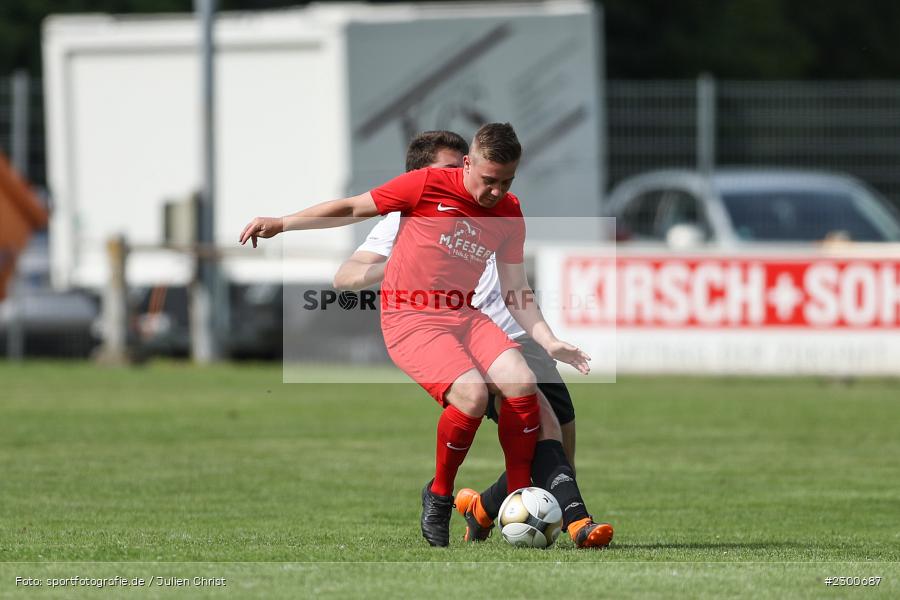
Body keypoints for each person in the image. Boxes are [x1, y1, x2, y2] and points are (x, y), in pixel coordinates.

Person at [240, 123, 587, 547]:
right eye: (488, 180)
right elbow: (352, 209)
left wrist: (550, 340)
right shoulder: (424, 186)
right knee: (473, 396)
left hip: (463, 313)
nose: (496, 191)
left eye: (506, 181)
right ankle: (439, 494)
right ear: (467, 164)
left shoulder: (509, 211)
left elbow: (516, 289)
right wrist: (283, 223)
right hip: (411, 318)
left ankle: (517, 498)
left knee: (521, 381)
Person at [333, 130, 613, 549]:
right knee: (544, 432)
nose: (460, 178)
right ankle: (579, 525)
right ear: (421, 177)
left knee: (559, 453)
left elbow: (515, 285)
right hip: (459, 342)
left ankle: (483, 508)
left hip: (514, 336)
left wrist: (547, 337)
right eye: (446, 169)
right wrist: (410, 263)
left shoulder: (495, 207)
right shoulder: (407, 217)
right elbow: (345, 276)